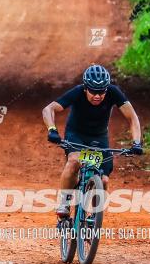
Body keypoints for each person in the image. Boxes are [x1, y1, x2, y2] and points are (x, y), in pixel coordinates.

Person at [42, 64, 143, 217]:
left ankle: (94, 218)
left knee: (103, 180)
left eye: (101, 91)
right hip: (76, 134)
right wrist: (52, 130)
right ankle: (65, 203)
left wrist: (136, 142)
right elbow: (49, 109)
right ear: (85, 88)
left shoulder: (113, 92)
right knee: (75, 161)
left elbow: (132, 117)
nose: (98, 96)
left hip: (99, 137)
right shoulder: (77, 92)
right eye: (93, 92)